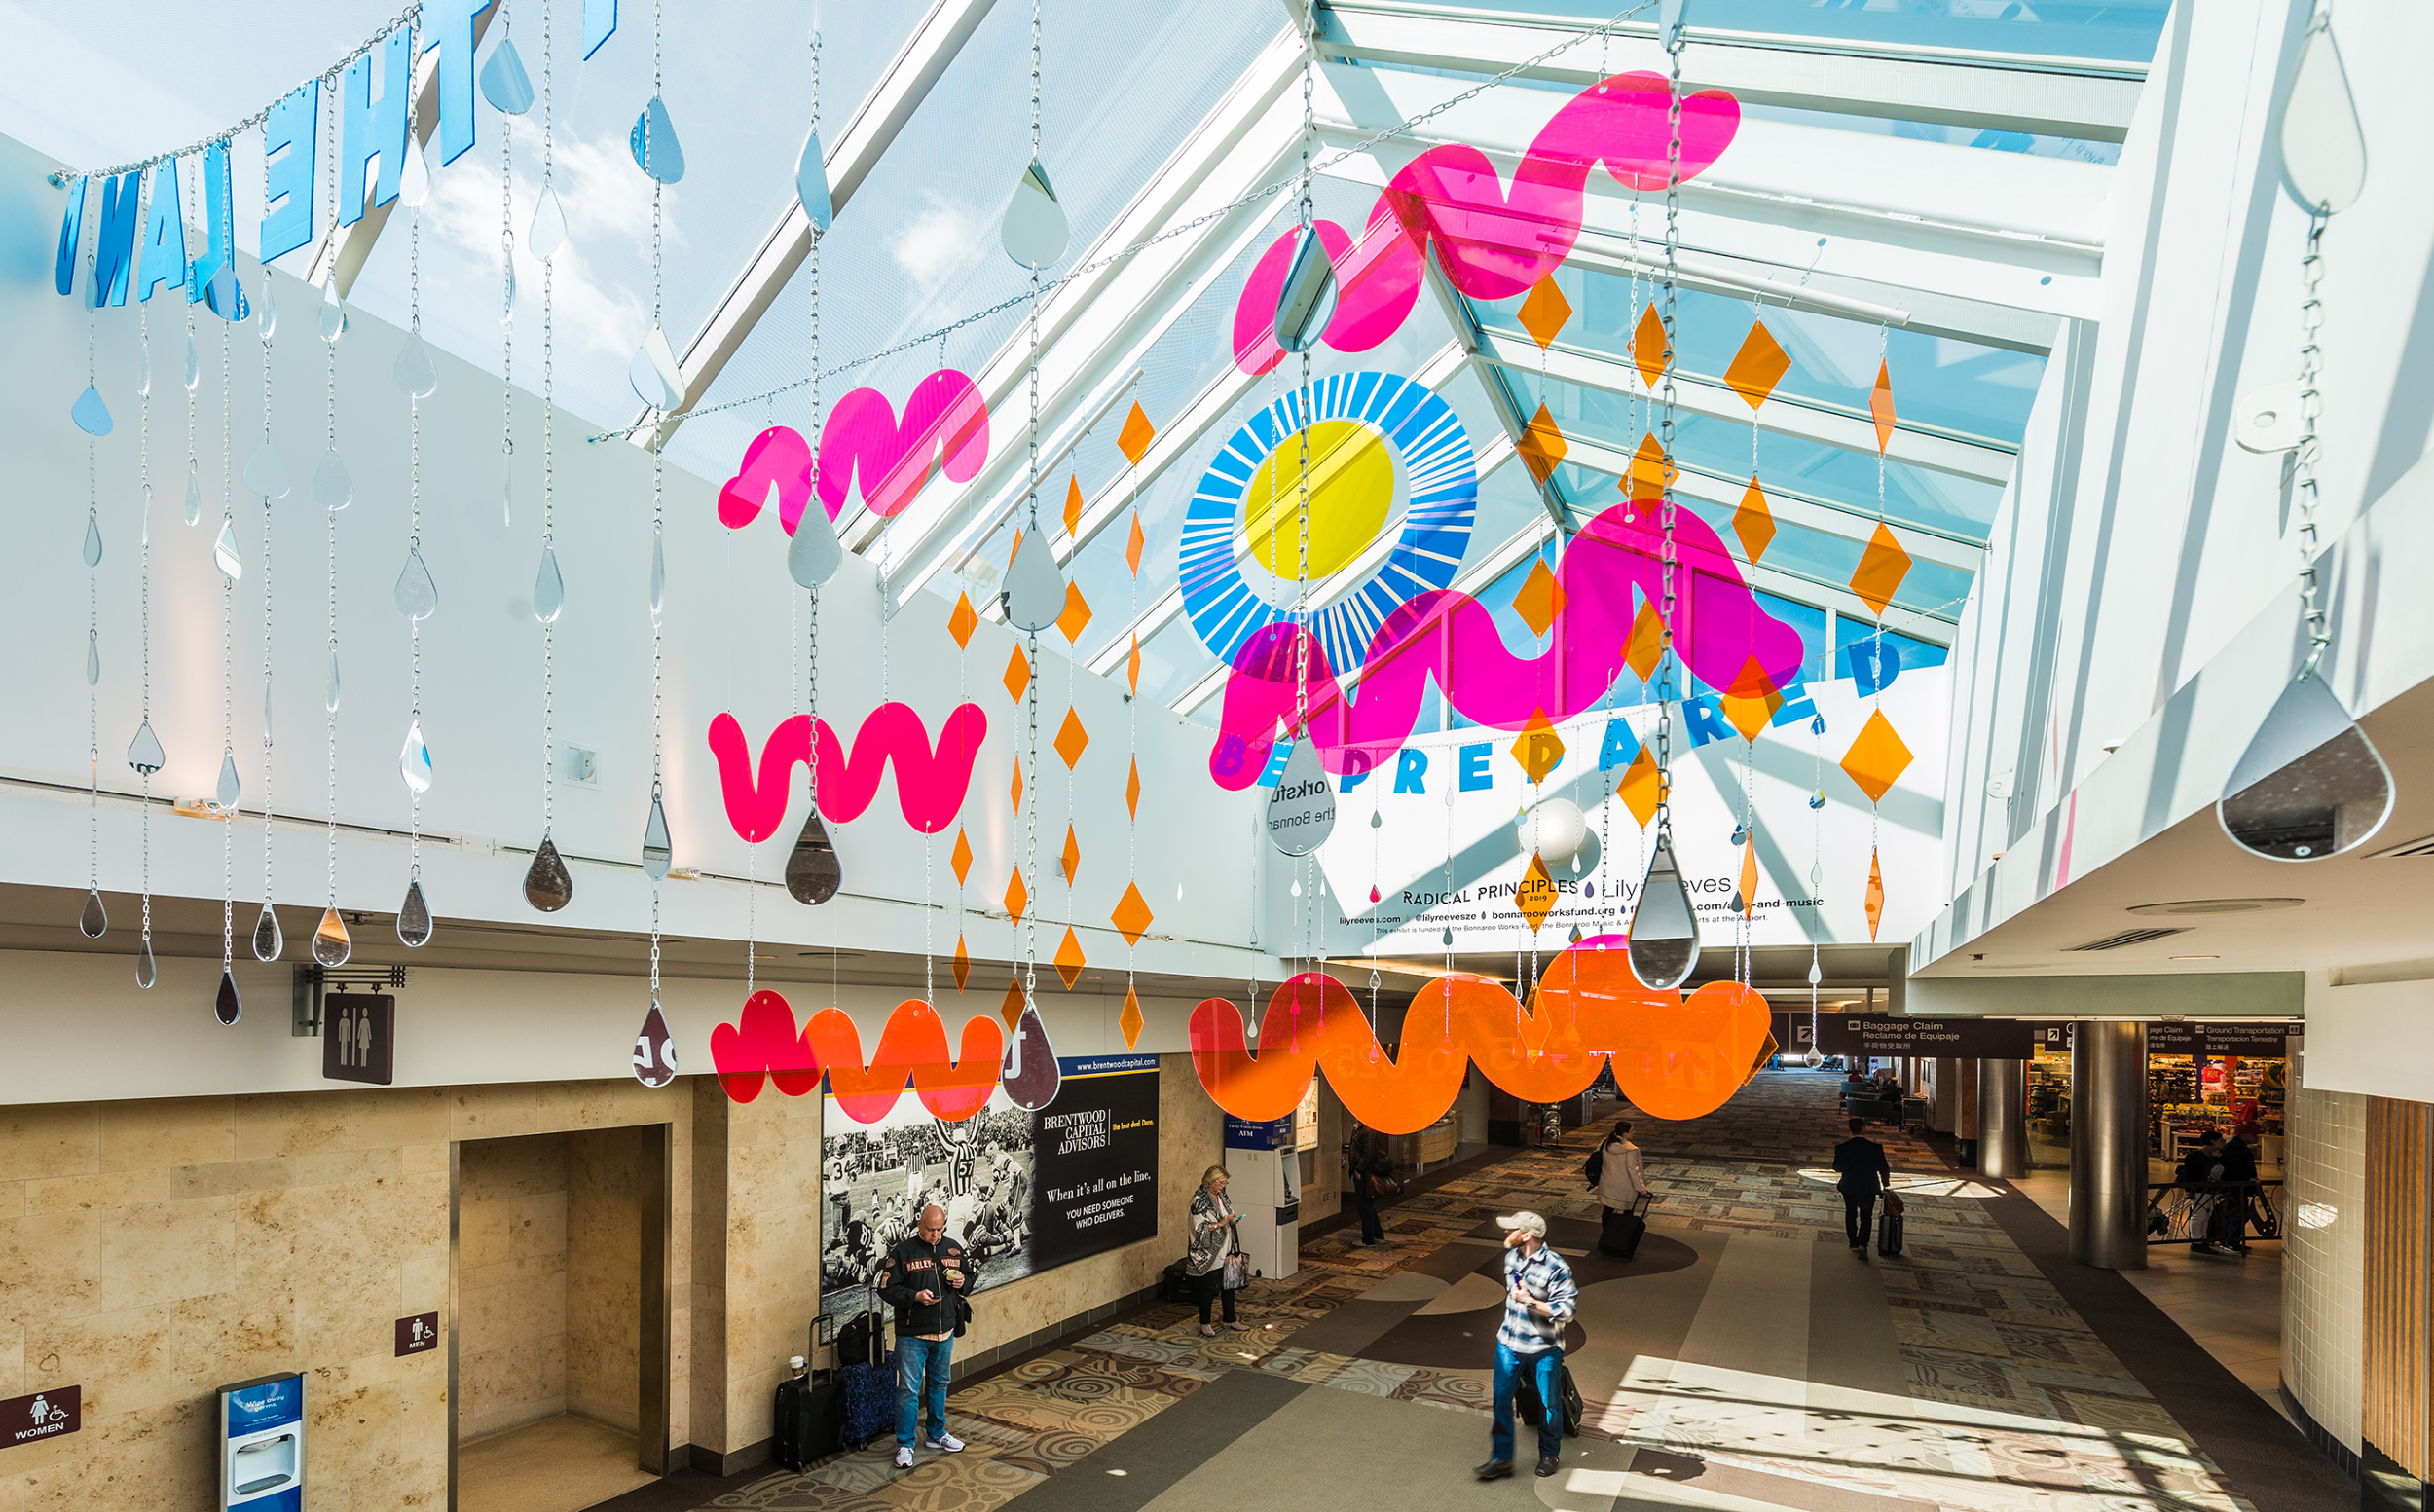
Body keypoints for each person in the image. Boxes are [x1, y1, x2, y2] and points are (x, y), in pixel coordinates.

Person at [1476, 1210, 1576, 1482]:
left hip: (1544, 1347)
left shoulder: (1557, 1267)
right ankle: (1502, 1459)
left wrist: (1531, 1302)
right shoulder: (1511, 1258)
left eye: (1511, 1230)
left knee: (1549, 1404)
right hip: (1509, 1341)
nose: (1506, 1234)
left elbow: (1567, 1311)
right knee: (1500, 1400)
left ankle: (1549, 1454)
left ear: (1527, 1235)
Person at [877, 1204, 972, 1469]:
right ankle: (905, 1444)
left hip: (946, 1331)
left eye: (939, 1229)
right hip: (913, 1335)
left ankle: (937, 1434)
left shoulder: (953, 1248)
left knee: (940, 1384)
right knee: (908, 1390)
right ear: (919, 1224)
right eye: (930, 1229)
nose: (935, 1235)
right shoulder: (902, 1252)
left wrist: (963, 1283)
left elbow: (971, 1278)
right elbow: (886, 1288)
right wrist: (915, 1297)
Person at [1185, 1164, 1245, 1336]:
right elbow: (1198, 1226)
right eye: (1220, 1182)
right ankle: (1205, 1323)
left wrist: (1232, 1221)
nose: (1223, 1186)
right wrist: (1219, 1224)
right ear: (1210, 1181)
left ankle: (1230, 1319)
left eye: (1225, 1183)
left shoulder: (1222, 1196)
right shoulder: (1199, 1199)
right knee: (1208, 1289)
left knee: (1229, 1286)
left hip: (1227, 1247)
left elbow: (1227, 1213)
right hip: (1210, 1251)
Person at [1832, 1118, 1893, 1257]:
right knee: (1866, 1217)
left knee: (1850, 1214)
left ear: (1850, 1129)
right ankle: (1862, 1244)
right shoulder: (1875, 1148)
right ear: (1863, 1128)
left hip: (1849, 1185)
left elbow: (1836, 1167)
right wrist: (1885, 1184)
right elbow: (1884, 1168)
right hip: (1869, 1186)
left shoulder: (1841, 1147)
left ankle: (1853, 1242)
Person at [2213, 1128, 2259, 1255]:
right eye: (2254, 1134)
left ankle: (2227, 1240)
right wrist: (2247, 1178)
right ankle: (2231, 1242)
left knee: (2233, 1211)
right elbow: (2233, 1167)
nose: (2257, 1137)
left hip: (2235, 1185)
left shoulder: (2236, 1147)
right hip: (2237, 1186)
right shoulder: (2237, 1148)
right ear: (2244, 1135)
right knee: (2237, 1212)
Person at [1346, 1128, 1392, 1245]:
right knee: (1368, 1204)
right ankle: (1377, 1234)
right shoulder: (1359, 1128)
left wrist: (1359, 1170)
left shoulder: (1367, 1131)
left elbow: (1369, 1153)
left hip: (1364, 1173)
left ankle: (1368, 1239)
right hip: (1362, 1171)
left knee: (1364, 1206)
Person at [1594, 1123, 1646, 1219]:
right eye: (1631, 1131)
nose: (1633, 1132)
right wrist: (1641, 1188)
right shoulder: (1630, 1149)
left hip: (1607, 1183)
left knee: (1608, 1210)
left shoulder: (1606, 1143)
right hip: (1625, 1187)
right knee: (1627, 1212)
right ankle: (1624, 1233)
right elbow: (1633, 1170)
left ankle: (1606, 1232)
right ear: (1625, 1134)